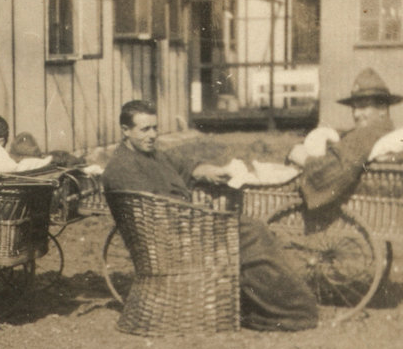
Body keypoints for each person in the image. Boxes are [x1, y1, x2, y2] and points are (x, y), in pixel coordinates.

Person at [102, 100, 319, 332]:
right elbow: (158, 212)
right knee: (253, 233)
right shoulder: (122, 168)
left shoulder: (153, 156)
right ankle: (289, 312)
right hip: (172, 239)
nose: (153, 135)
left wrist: (217, 172)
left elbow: (187, 167)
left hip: (186, 224)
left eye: (155, 128)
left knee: (254, 230)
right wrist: (202, 214)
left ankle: (277, 305)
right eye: (145, 129)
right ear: (125, 131)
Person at [287, 68, 403, 211]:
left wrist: (304, 159)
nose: (356, 114)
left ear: (383, 109)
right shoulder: (383, 131)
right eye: (353, 108)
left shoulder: (366, 135)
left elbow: (336, 168)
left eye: (363, 107)